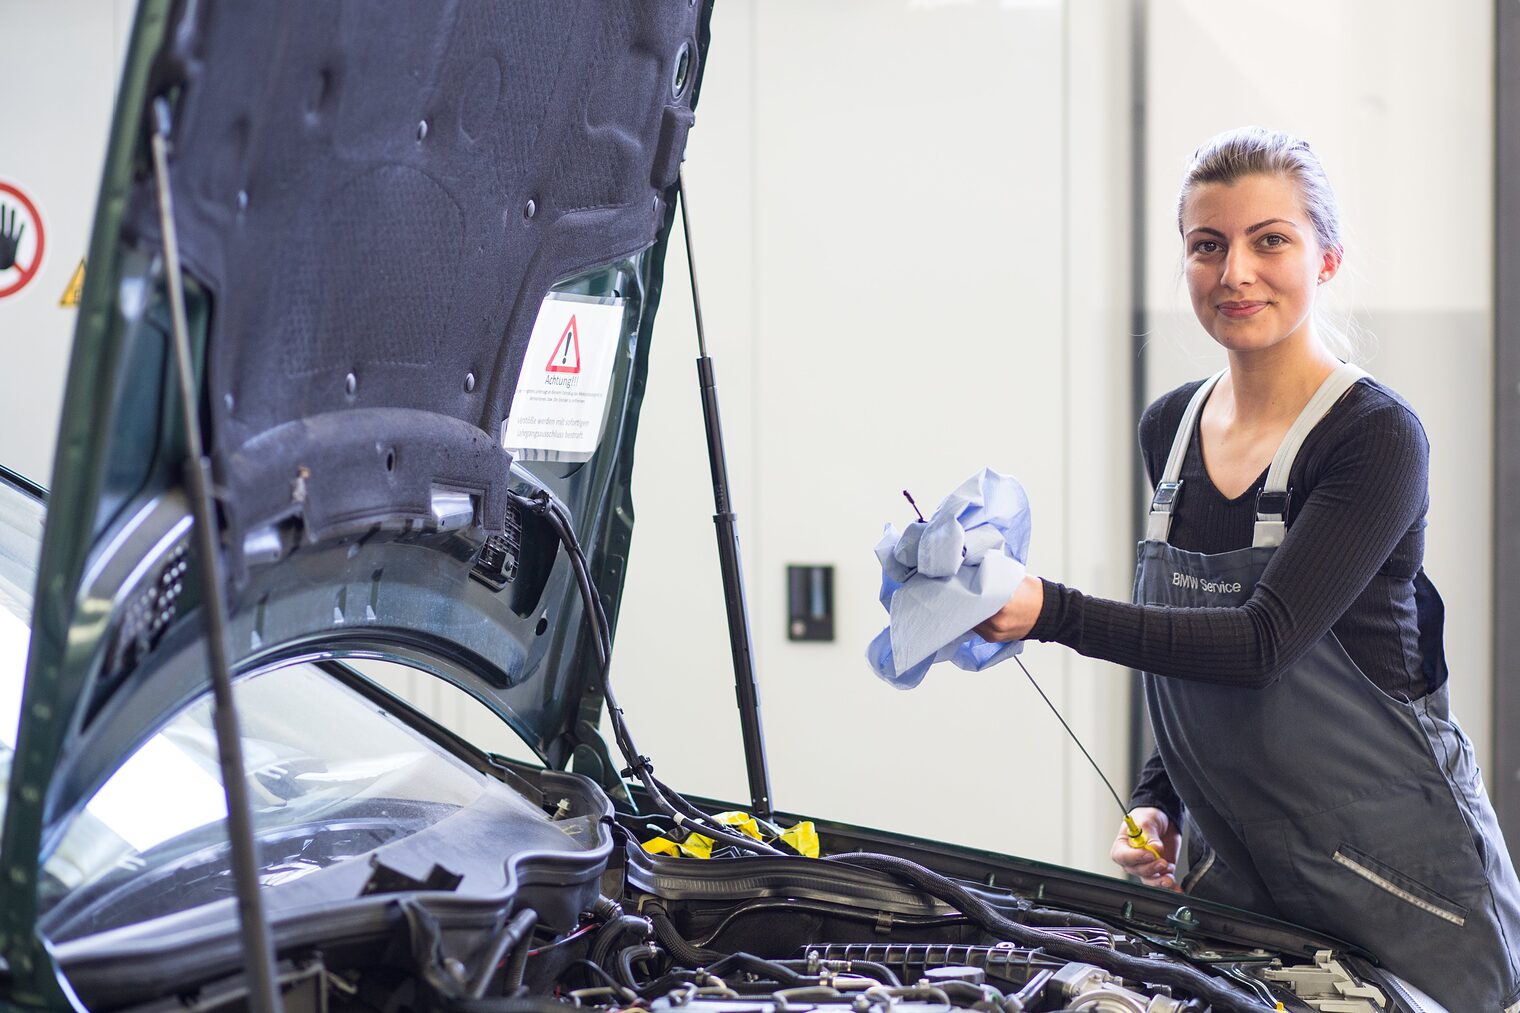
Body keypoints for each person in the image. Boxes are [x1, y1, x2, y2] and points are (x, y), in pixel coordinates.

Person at [973, 126, 1520, 1008]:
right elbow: (1191, 649)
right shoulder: (1171, 431)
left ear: (1328, 259)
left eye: (1271, 240)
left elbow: (1262, 642)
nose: (1235, 273)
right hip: (1242, 887)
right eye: (1208, 245)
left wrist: (1051, 610)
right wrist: (1160, 798)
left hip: (1400, 891)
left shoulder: (1373, 437)